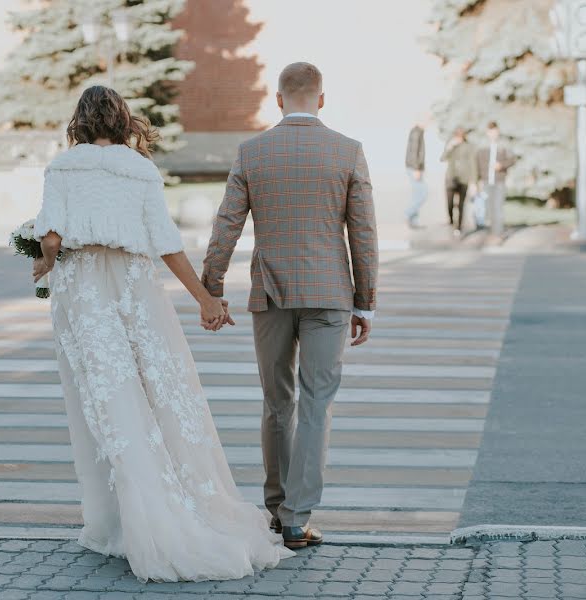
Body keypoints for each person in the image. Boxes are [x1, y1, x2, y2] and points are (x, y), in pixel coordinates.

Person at [30, 86, 292, 582]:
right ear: (123, 120)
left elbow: (52, 235)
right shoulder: (140, 169)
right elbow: (166, 244)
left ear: (80, 121)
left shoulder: (63, 168)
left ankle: (126, 524)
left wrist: (43, 263)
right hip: (136, 293)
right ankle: (171, 512)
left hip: (87, 296)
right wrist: (206, 300)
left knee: (109, 407)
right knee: (159, 397)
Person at [201, 63, 378, 549]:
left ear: (278, 100)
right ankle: (297, 517)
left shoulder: (253, 152)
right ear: (322, 99)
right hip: (329, 296)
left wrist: (211, 288)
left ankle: (277, 509)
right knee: (316, 405)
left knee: (278, 402)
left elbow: (226, 226)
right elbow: (362, 233)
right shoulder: (347, 151)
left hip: (272, 295)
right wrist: (366, 302)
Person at [476, 122, 517, 236]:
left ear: (498, 131)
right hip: (486, 180)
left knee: (498, 206)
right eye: (490, 131)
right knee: (489, 207)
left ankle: (498, 233)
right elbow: (477, 163)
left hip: (500, 180)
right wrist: (477, 180)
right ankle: (492, 230)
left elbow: (512, 159)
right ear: (487, 132)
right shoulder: (482, 146)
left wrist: (502, 165)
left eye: (495, 131)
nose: (493, 134)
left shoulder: (504, 145)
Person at [441, 127, 477, 237]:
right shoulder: (451, 144)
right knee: (449, 202)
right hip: (451, 178)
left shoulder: (469, 146)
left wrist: (473, 182)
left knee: (461, 204)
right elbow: (443, 158)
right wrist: (450, 147)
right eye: (457, 136)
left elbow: (472, 163)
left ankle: (459, 227)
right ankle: (451, 220)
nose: (459, 138)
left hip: (464, 178)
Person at [405, 117, 428, 228]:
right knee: (423, 193)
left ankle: (414, 221)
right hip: (414, 168)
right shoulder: (416, 133)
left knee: (417, 194)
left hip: (415, 168)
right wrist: (416, 169)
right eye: (426, 120)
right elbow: (414, 151)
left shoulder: (419, 132)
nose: (428, 122)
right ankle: (408, 213)